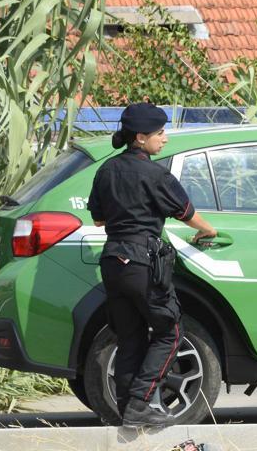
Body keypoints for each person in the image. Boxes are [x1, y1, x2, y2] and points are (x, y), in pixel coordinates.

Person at [87, 102, 217, 429]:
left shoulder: (106, 170)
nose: (166, 139)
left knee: (129, 336)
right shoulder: (156, 173)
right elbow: (185, 212)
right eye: (160, 133)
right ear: (141, 137)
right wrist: (209, 231)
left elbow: (99, 218)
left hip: (112, 262)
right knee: (170, 333)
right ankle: (142, 400)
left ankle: (127, 409)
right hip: (142, 263)